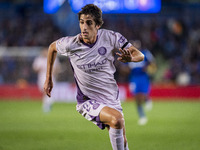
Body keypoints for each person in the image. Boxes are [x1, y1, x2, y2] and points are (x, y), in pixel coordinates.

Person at [43, 4, 144, 150]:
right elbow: (52, 47)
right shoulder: (71, 44)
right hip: (88, 100)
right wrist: (48, 78)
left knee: (122, 139)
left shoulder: (111, 37)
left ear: (97, 25)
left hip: (111, 97)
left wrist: (131, 59)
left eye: (89, 23)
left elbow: (139, 55)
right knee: (116, 119)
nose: (84, 27)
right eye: (82, 22)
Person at [128, 40, 157, 125]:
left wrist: (147, 66)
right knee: (137, 98)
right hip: (134, 78)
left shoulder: (145, 53)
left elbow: (152, 62)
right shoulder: (129, 55)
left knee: (143, 95)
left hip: (143, 77)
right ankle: (142, 116)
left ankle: (147, 99)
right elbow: (126, 66)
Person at [33, 48, 60, 112]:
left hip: (51, 77)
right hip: (41, 77)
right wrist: (40, 69)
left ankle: (46, 106)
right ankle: (48, 103)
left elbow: (57, 68)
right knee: (44, 91)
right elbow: (35, 69)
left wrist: (54, 72)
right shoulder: (39, 59)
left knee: (48, 91)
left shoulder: (53, 58)